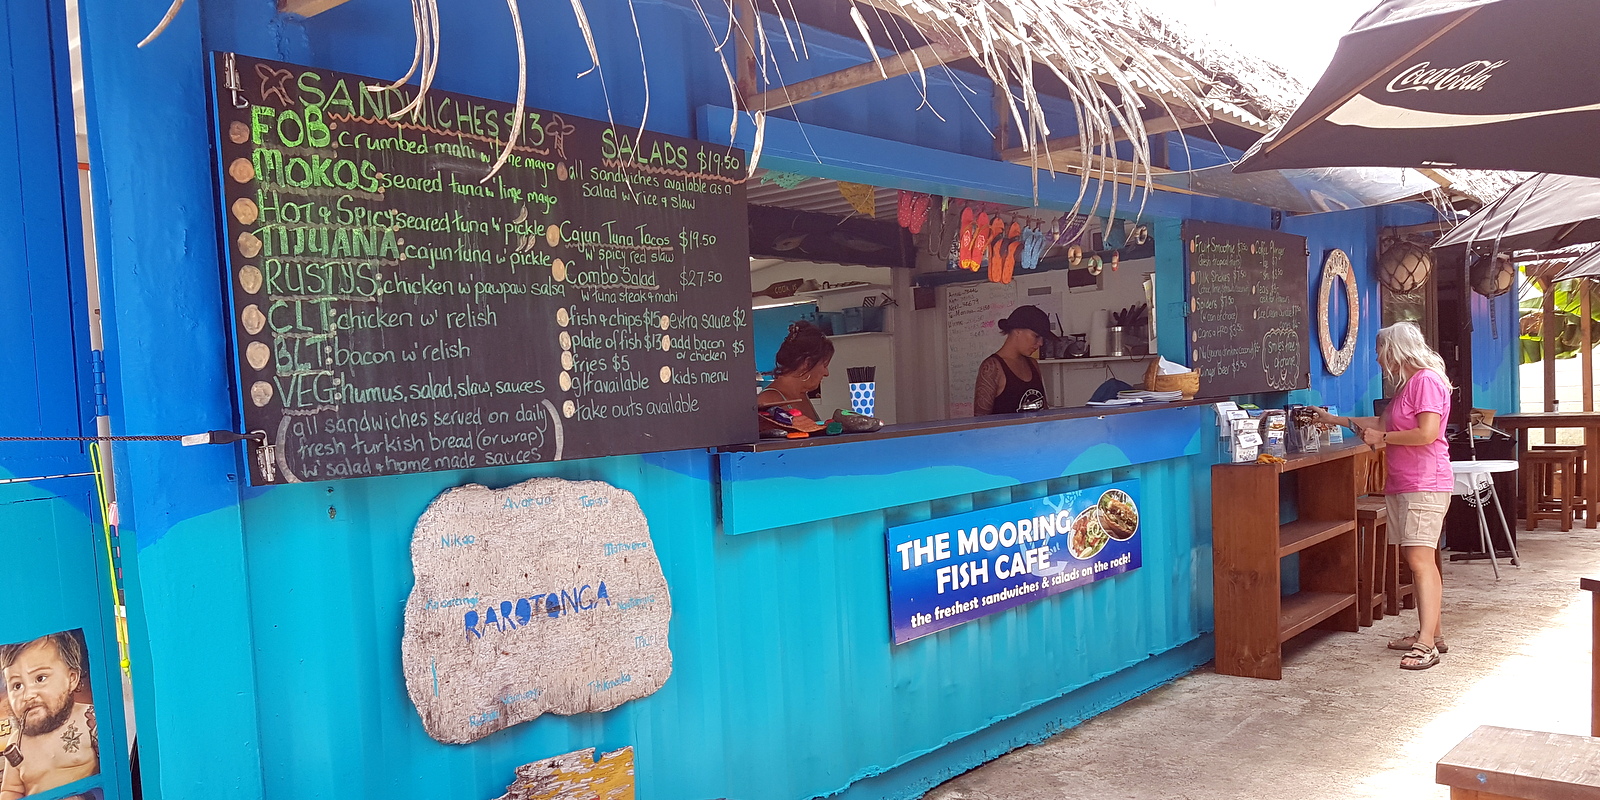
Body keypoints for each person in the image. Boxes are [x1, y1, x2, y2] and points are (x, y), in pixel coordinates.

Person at [1315, 321, 1453, 670]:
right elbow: (1379, 424)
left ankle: (1426, 645)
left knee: (1419, 560)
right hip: (1405, 482)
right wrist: (1332, 420)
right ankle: (1432, 634)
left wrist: (1384, 440)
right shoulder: (1408, 385)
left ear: (1395, 350)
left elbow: (1427, 433)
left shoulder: (1425, 381)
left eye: (1379, 351)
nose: (1377, 358)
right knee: (1420, 558)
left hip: (1425, 482)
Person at [0, 633, 99, 799]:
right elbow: (10, 790)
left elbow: (115, 771)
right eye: (17, 686)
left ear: (72, 679)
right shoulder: (17, 742)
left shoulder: (89, 719)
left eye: (40, 678)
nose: (28, 695)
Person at [974, 305, 1054, 415]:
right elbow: (980, 420)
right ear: (1018, 331)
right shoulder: (992, 367)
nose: (1040, 343)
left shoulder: (1033, 364)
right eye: (1036, 336)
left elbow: (1043, 409)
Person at [759, 320, 835, 425]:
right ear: (807, 363)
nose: (826, 373)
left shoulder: (801, 394)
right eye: (824, 365)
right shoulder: (767, 400)